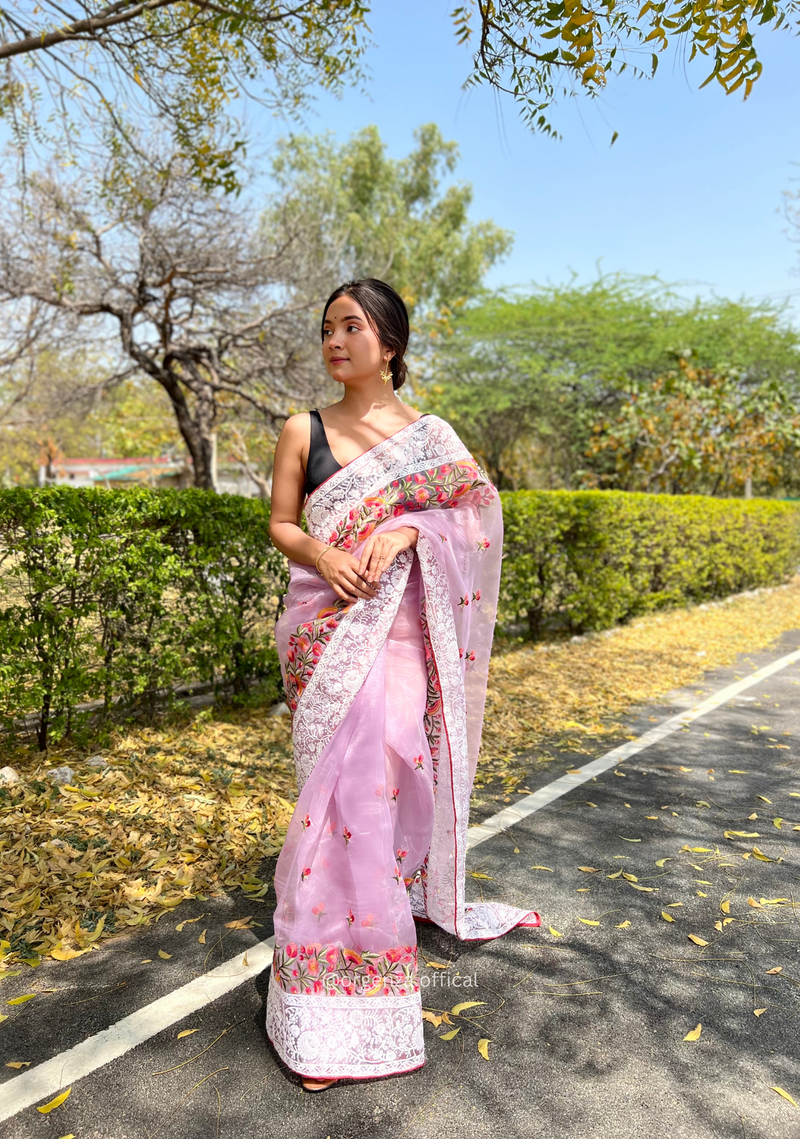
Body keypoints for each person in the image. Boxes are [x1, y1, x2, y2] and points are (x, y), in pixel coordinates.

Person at [265, 277, 540, 1092]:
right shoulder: (301, 429)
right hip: (326, 629)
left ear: (390, 342)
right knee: (343, 791)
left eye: (351, 326)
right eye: (327, 328)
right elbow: (283, 522)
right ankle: (323, 1000)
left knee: (370, 784)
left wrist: (408, 527)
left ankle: (352, 993)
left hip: (403, 633)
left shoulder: (430, 438)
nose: (334, 340)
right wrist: (323, 553)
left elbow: (477, 514)